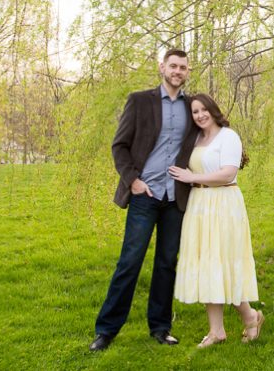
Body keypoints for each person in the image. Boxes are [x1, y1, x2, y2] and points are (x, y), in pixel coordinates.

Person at [89, 49, 198, 352]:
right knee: (130, 261)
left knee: (166, 263)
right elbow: (119, 145)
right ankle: (106, 330)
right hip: (145, 194)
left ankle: (160, 327)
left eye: (183, 68)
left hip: (175, 196)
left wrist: (235, 154)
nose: (178, 71)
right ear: (162, 67)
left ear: (188, 72)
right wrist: (132, 181)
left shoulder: (192, 106)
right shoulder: (140, 101)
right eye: (173, 66)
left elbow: (212, 132)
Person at [168, 94, 263, 348]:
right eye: (195, 112)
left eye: (203, 110)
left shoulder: (228, 136)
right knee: (207, 265)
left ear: (213, 109)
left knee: (223, 263)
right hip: (199, 204)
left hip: (223, 203)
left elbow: (228, 173)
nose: (199, 115)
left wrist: (191, 177)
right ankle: (216, 331)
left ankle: (250, 316)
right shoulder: (196, 138)